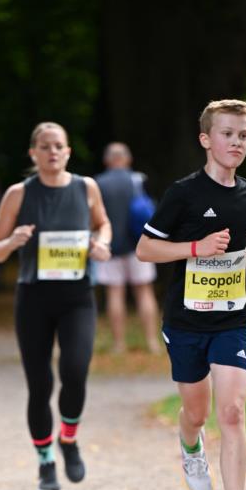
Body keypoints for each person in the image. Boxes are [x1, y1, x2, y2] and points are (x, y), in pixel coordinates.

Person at [136, 99, 246, 490]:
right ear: (206, 139)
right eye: (227, 134)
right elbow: (144, 250)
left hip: (232, 320)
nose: (236, 142)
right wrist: (195, 246)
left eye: (243, 136)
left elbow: (238, 239)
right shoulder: (183, 193)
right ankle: (189, 442)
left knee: (233, 412)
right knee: (196, 412)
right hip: (185, 323)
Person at [0, 122, 111, 490]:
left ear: (68, 151)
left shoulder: (86, 187)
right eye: (45, 146)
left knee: (75, 370)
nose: (53, 152)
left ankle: (68, 439)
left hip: (77, 297)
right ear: (33, 153)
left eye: (59, 146)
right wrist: (12, 241)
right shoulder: (18, 194)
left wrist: (100, 243)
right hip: (34, 297)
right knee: (40, 385)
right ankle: (45, 462)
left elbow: (103, 225)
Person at [95, 142, 161, 354]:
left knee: (115, 293)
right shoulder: (138, 180)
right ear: (127, 159)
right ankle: (152, 342)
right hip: (138, 246)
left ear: (107, 160)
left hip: (110, 246)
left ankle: (118, 344)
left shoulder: (97, 184)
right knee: (144, 291)